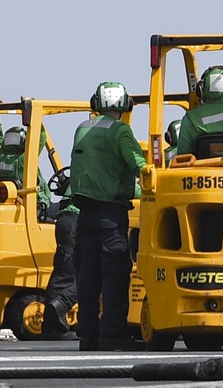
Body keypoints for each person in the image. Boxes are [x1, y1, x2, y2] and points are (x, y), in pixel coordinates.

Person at [69, 82, 145, 352]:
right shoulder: (121, 131)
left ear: (95, 103)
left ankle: (88, 336)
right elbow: (140, 165)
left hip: (84, 214)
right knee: (115, 274)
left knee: (88, 276)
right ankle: (113, 335)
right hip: (111, 215)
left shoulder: (83, 128)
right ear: (126, 105)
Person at [42, 181, 78, 339]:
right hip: (79, 219)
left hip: (64, 219)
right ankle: (62, 302)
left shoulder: (82, 164)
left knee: (62, 273)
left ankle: (51, 327)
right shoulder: (113, 165)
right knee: (93, 272)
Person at [0, 115, 50, 209]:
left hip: (4, 200)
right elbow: (42, 137)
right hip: (35, 203)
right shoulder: (24, 158)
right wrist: (34, 116)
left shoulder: (0, 154)